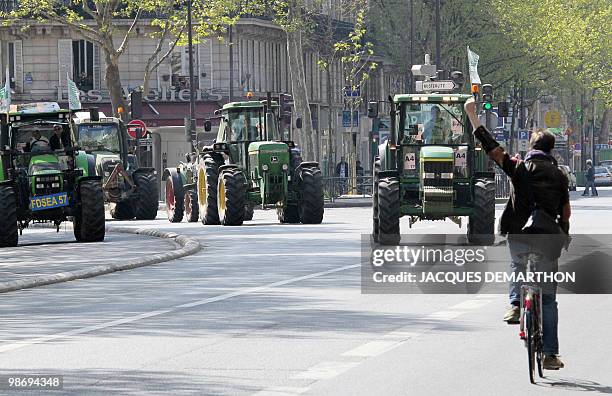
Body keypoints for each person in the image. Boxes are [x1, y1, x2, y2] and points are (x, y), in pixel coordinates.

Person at [465, 98, 570, 370]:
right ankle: (549, 353)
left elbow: (492, 149)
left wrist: (472, 115)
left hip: (519, 232)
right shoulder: (560, 177)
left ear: (532, 148)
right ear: (551, 150)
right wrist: (564, 236)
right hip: (548, 237)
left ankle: (514, 304)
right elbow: (566, 212)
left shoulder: (519, 167)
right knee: (547, 297)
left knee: (516, 264)